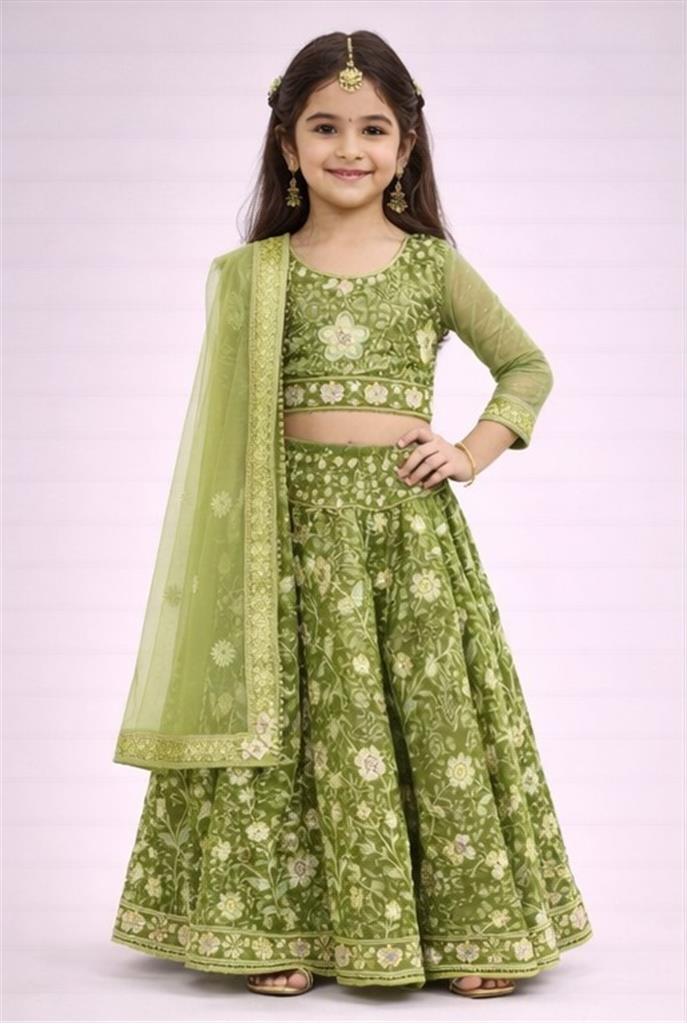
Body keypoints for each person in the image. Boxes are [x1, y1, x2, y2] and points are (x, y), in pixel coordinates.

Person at [110, 30, 593, 1000]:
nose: (349, 147)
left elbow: (526, 366)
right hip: (282, 541)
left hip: (403, 539)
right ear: (287, 146)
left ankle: (468, 926)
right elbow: (221, 433)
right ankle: (269, 924)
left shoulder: (430, 266)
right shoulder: (252, 273)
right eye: (324, 127)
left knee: (431, 724)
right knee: (288, 729)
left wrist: (469, 450)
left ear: (406, 146)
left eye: (372, 129)